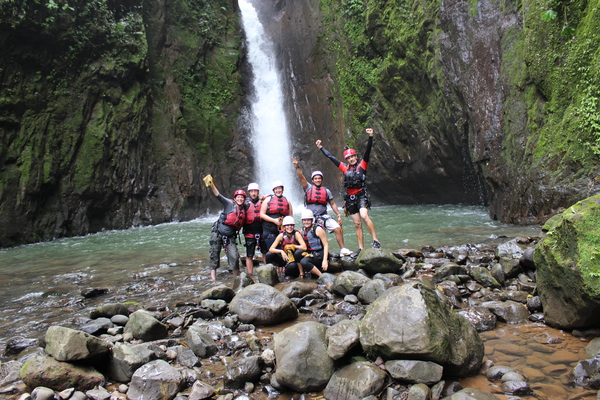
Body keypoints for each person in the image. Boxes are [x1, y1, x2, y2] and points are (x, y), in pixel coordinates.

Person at [316, 128, 380, 251]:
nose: (351, 159)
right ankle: (361, 248)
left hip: (361, 196)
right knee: (357, 224)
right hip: (350, 200)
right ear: (347, 159)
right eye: (349, 158)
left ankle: (375, 240)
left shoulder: (362, 166)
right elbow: (331, 157)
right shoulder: (344, 168)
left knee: (364, 216)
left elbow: (368, 151)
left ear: (356, 156)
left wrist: (371, 136)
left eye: (353, 156)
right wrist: (321, 148)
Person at [292, 157, 352, 256]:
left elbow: (332, 203)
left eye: (319, 178)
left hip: (323, 215)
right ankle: (312, 251)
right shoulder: (308, 188)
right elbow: (301, 177)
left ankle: (343, 249)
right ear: (312, 180)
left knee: (337, 228)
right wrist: (297, 167)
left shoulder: (326, 191)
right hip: (310, 217)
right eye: (315, 178)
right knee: (311, 234)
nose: (318, 180)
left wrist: (338, 214)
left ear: (322, 179)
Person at [204, 175, 246, 280]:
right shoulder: (229, 203)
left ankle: (236, 278)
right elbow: (218, 195)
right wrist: (212, 185)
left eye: (242, 197)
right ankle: (213, 279)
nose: (240, 199)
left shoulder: (245, 208)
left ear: (244, 199)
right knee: (214, 253)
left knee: (235, 256)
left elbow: (256, 202)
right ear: (235, 198)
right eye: (238, 197)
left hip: (230, 235)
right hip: (218, 232)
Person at [260, 180, 293, 250]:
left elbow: (290, 217)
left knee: (284, 250)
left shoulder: (287, 201)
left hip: (283, 230)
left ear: (282, 189)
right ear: (273, 190)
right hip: (269, 229)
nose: (278, 190)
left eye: (279, 188)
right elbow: (262, 214)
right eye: (276, 189)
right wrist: (274, 220)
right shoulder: (267, 200)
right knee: (273, 251)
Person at [243, 182, 266, 275]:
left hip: (262, 231)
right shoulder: (245, 204)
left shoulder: (263, 202)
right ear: (249, 192)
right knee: (249, 255)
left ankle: (267, 272)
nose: (253, 193)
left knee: (265, 252)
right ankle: (250, 274)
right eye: (251, 191)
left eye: (255, 191)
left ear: (258, 192)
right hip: (249, 232)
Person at [299, 209, 329, 278]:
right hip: (310, 253)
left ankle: (321, 276)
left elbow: (326, 244)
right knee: (297, 253)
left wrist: (325, 261)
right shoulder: (302, 230)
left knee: (304, 262)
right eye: (304, 220)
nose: (306, 222)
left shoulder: (318, 229)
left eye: (308, 220)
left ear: (312, 220)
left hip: (319, 254)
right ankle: (302, 274)